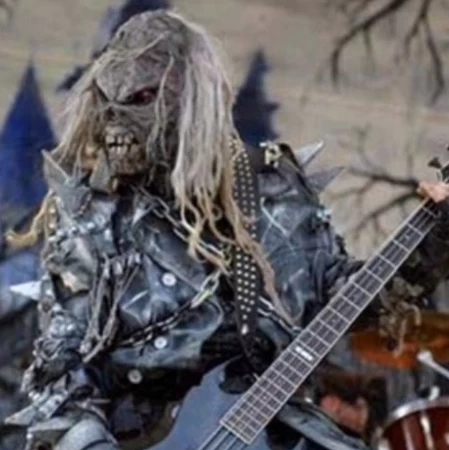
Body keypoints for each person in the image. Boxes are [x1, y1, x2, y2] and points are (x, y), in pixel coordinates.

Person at [4, 10, 449, 450]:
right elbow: (62, 374)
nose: (114, 118)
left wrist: (435, 238)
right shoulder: (94, 218)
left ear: (191, 99)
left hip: (266, 427)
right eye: (105, 99)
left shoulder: (269, 191)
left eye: (140, 97)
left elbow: (344, 299)